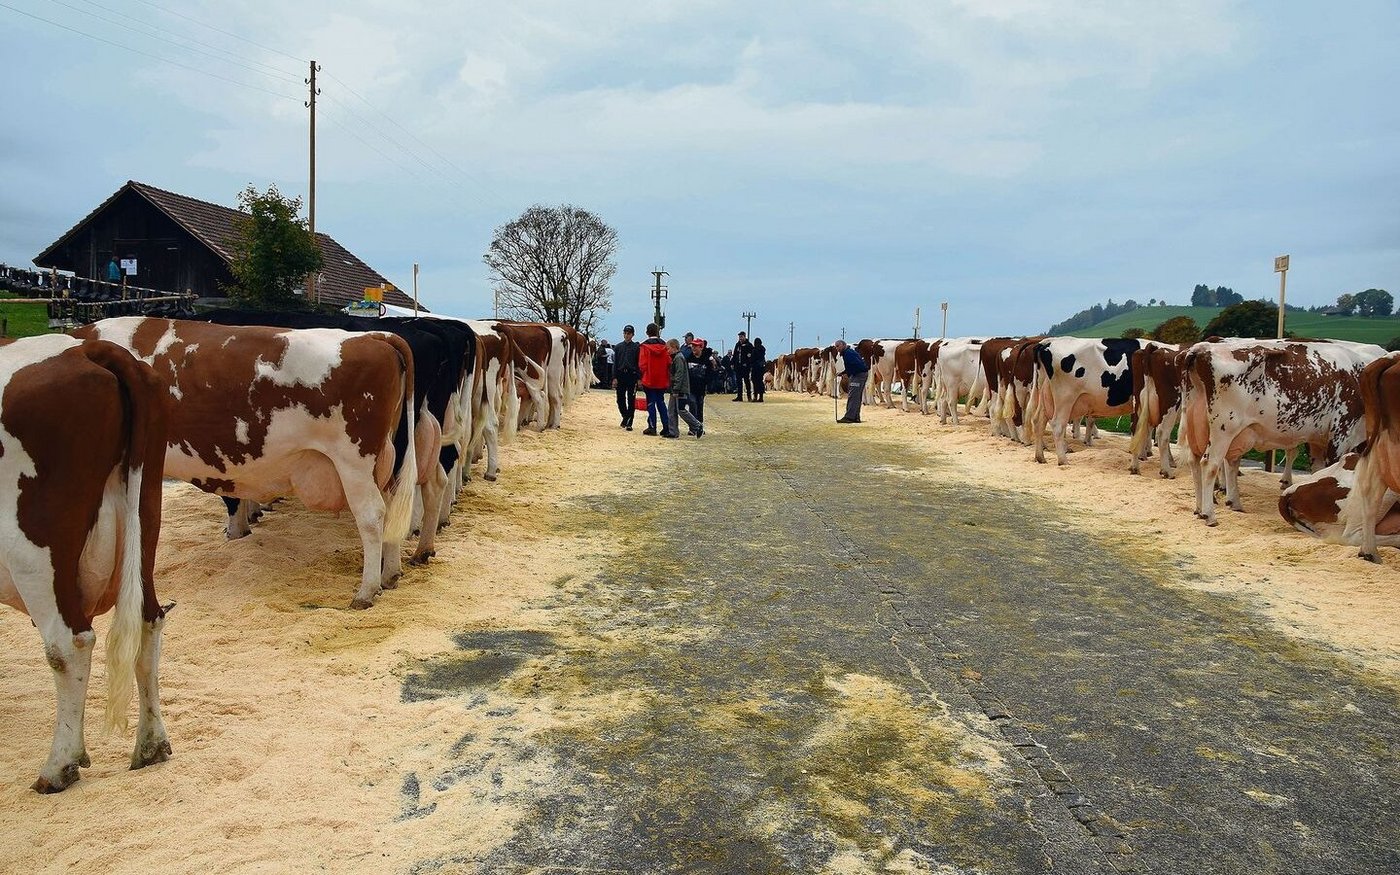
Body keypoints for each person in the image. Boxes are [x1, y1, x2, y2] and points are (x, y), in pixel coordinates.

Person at [637, 323, 673, 437]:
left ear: (647, 332)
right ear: (658, 332)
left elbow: (642, 365)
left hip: (649, 379)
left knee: (651, 403)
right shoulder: (665, 346)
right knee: (661, 402)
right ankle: (666, 426)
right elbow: (669, 362)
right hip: (662, 379)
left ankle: (652, 427)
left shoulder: (644, 347)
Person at [664, 339, 704, 439]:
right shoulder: (677, 357)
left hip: (680, 390)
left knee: (681, 410)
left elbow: (679, 374)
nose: (667, 351)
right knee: (671, 410)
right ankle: (673, 431)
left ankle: (697, 425)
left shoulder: (678, 358)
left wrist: (676, 389)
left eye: (668, 348)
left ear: (674, 347)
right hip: (675, 389)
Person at [834, 338, 869, 423]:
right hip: (860, 374)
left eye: (838, 346)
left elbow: (856, 365)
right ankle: (856, 417)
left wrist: (848, 373)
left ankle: (849, 417)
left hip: (858, 375)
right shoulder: (849, 352)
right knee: (856, 396)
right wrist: (844, 372)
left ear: (843, 345)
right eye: (836, 347)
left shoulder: (848, 353)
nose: (837, 348)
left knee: (853, 395)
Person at [612, 325, 641, 430]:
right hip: (620, 374)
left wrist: (638, 378)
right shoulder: (618, 347)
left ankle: (629, 422)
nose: (626, 335)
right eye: (625, 333)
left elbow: (638, 363)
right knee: (620, 399)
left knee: (631, 399)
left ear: (632, 335)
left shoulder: (636, 348)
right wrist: (614, 377)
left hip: (631, 375)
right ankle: (625, 416)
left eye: (628, 333)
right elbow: (615, 363)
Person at [686, 337, 714, 425]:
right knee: (692, 404)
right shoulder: (688, 358)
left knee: (700, 405)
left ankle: (700, 425)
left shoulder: (706, 360)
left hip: (701, 388)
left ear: (701, 347)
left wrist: (707, 382)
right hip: (691, 388)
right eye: (692, 346)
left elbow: (710, 373)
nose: (693, 348)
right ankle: (693, 426)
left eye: (696, 346)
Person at [732, 331, 754, 401]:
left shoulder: (749, 345)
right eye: (739, 337)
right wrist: (732, 363)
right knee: (739, 382)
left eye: (741, 336)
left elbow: (751, 356)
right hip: (738, 366)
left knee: (747, 381)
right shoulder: (737, 345)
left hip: (745, 367)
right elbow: (735, 354)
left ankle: (749, 396)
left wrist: (748, 363)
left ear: (744, 336)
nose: (740, 338)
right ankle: (739, 396)